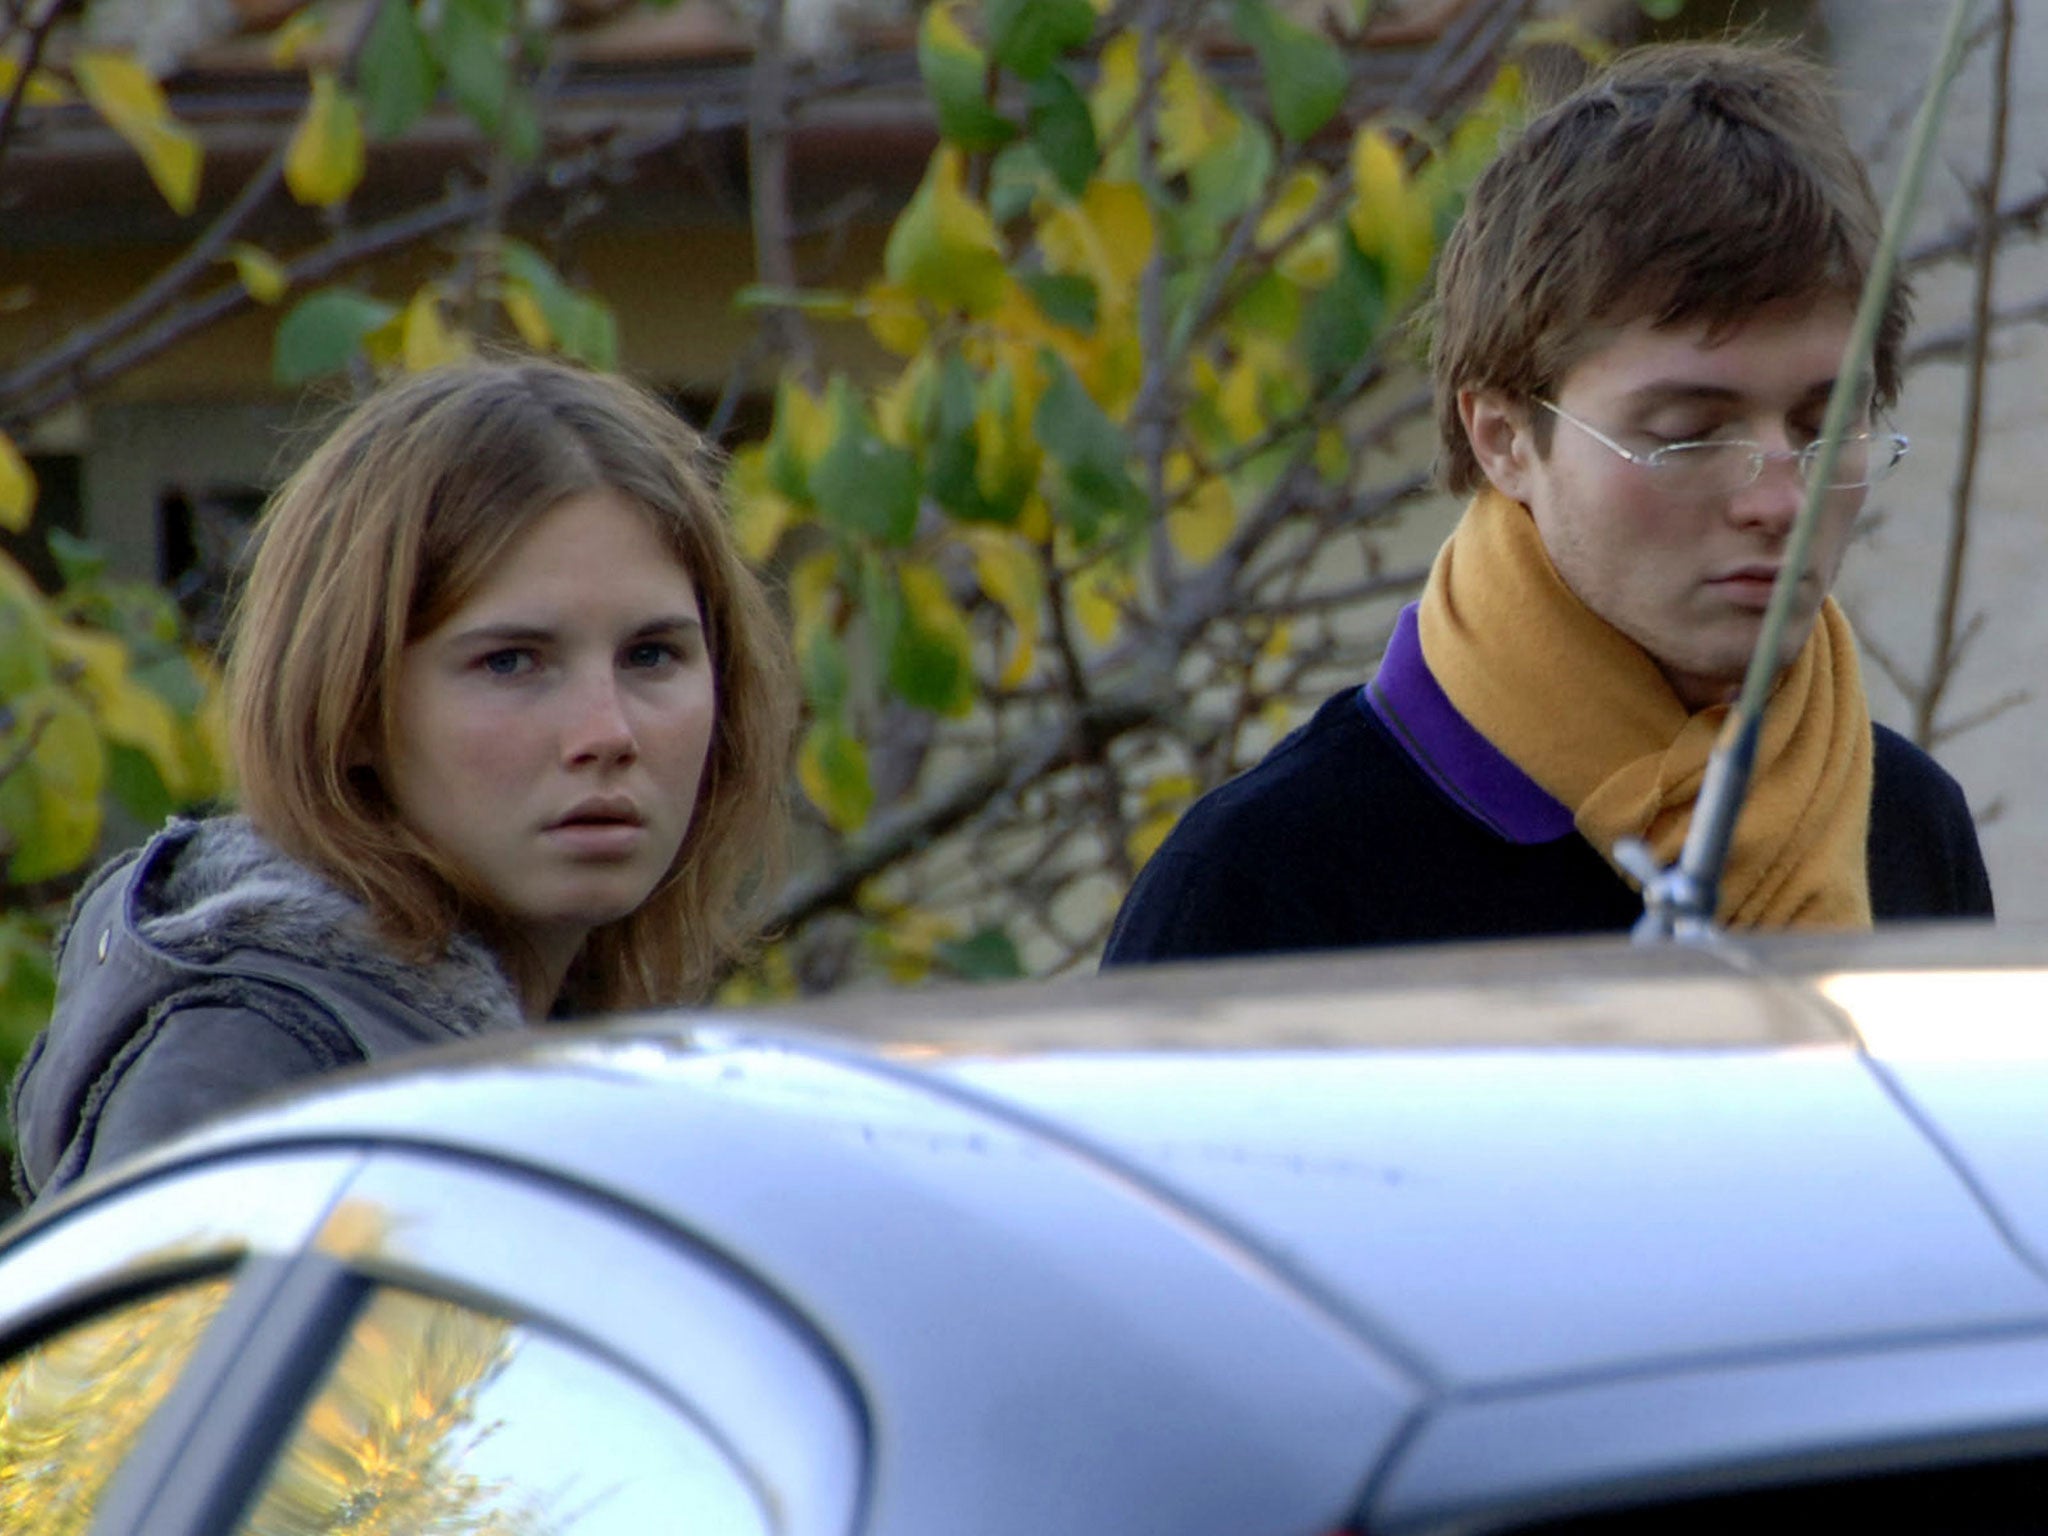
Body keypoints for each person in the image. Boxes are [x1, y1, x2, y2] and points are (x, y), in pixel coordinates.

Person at [1104, 40, 1992, 968]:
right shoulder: (1265, 885)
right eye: (1687, 433)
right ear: (1504, 436)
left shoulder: (1905, 819)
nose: (1781, 500)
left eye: (1825, 424)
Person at [10, 356, 797, 1201]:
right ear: (350, 707)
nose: (607, 733)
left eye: (652, 654)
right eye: (512, 662)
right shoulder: (254, 1077)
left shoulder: (582, 1057)